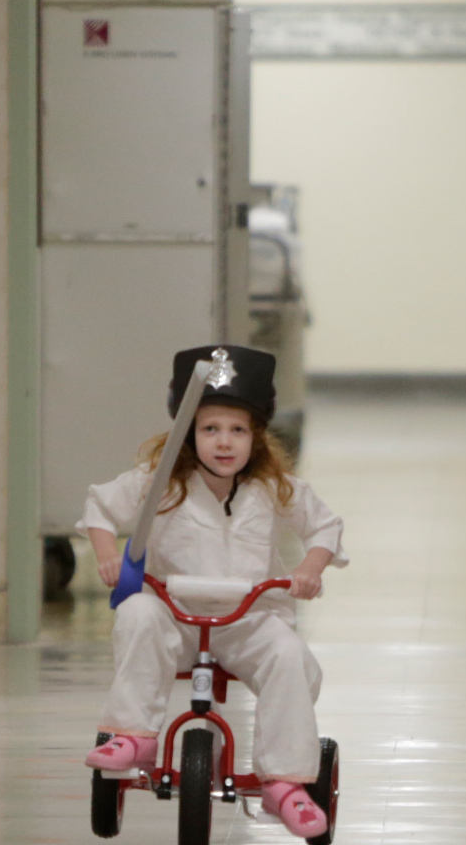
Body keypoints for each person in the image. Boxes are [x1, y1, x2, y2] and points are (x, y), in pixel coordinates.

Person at [79, 345, 346, 839]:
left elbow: (325, 527)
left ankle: (285, 782)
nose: (224, 443)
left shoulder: (273, 487)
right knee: (137, 613)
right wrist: (107, 555)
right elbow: (100, 507)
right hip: (174, 616)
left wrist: (310, 568)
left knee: (288, 655)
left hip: (247, 620)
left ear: (257, 437)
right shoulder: (161, 483)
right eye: (209, 429)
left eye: (238, 430)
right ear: (186, 435)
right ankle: (131, 735)